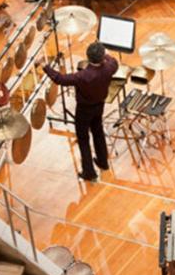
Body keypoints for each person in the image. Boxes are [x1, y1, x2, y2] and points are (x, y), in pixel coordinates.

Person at [43, 42, 119, 182]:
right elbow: (114, 61)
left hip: (84, 110)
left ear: (88, 57)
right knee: (98, 132)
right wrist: (106, 54)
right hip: (99, 106)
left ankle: (89, 172)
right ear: (102, 58)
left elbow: (60, 79)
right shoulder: (110, 67)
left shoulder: (82, 75)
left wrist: (45, 67)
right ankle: (103, 162)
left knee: (83, 139)